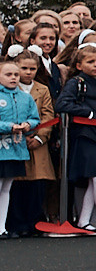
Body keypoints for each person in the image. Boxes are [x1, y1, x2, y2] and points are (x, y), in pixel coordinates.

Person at [57, 41, 96, 234]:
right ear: (78, 65)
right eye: (91, 61)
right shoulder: (76, 83)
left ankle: (84, 220)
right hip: (85, 136)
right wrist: (86, 112)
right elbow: (62, 104)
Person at [7, 49, 59, 236]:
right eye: (24, 68)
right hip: (13, 141)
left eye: (32, 68)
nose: (28, 72)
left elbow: (48, 115)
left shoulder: (42, 89)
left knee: (36, 185)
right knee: (16, 185)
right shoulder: (8, 89)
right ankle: (16, 224)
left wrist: (40, 137)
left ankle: (34, 223)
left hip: (37, 143)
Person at [0, 55, 39, 238]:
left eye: (16, 74)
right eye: (8, 74)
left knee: (7, 187)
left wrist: (28, 125)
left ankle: (2, 227)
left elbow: (34, 117)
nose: (13, 77)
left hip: (16, 149)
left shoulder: (25, 97)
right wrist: (8, 126)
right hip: (2, 147)